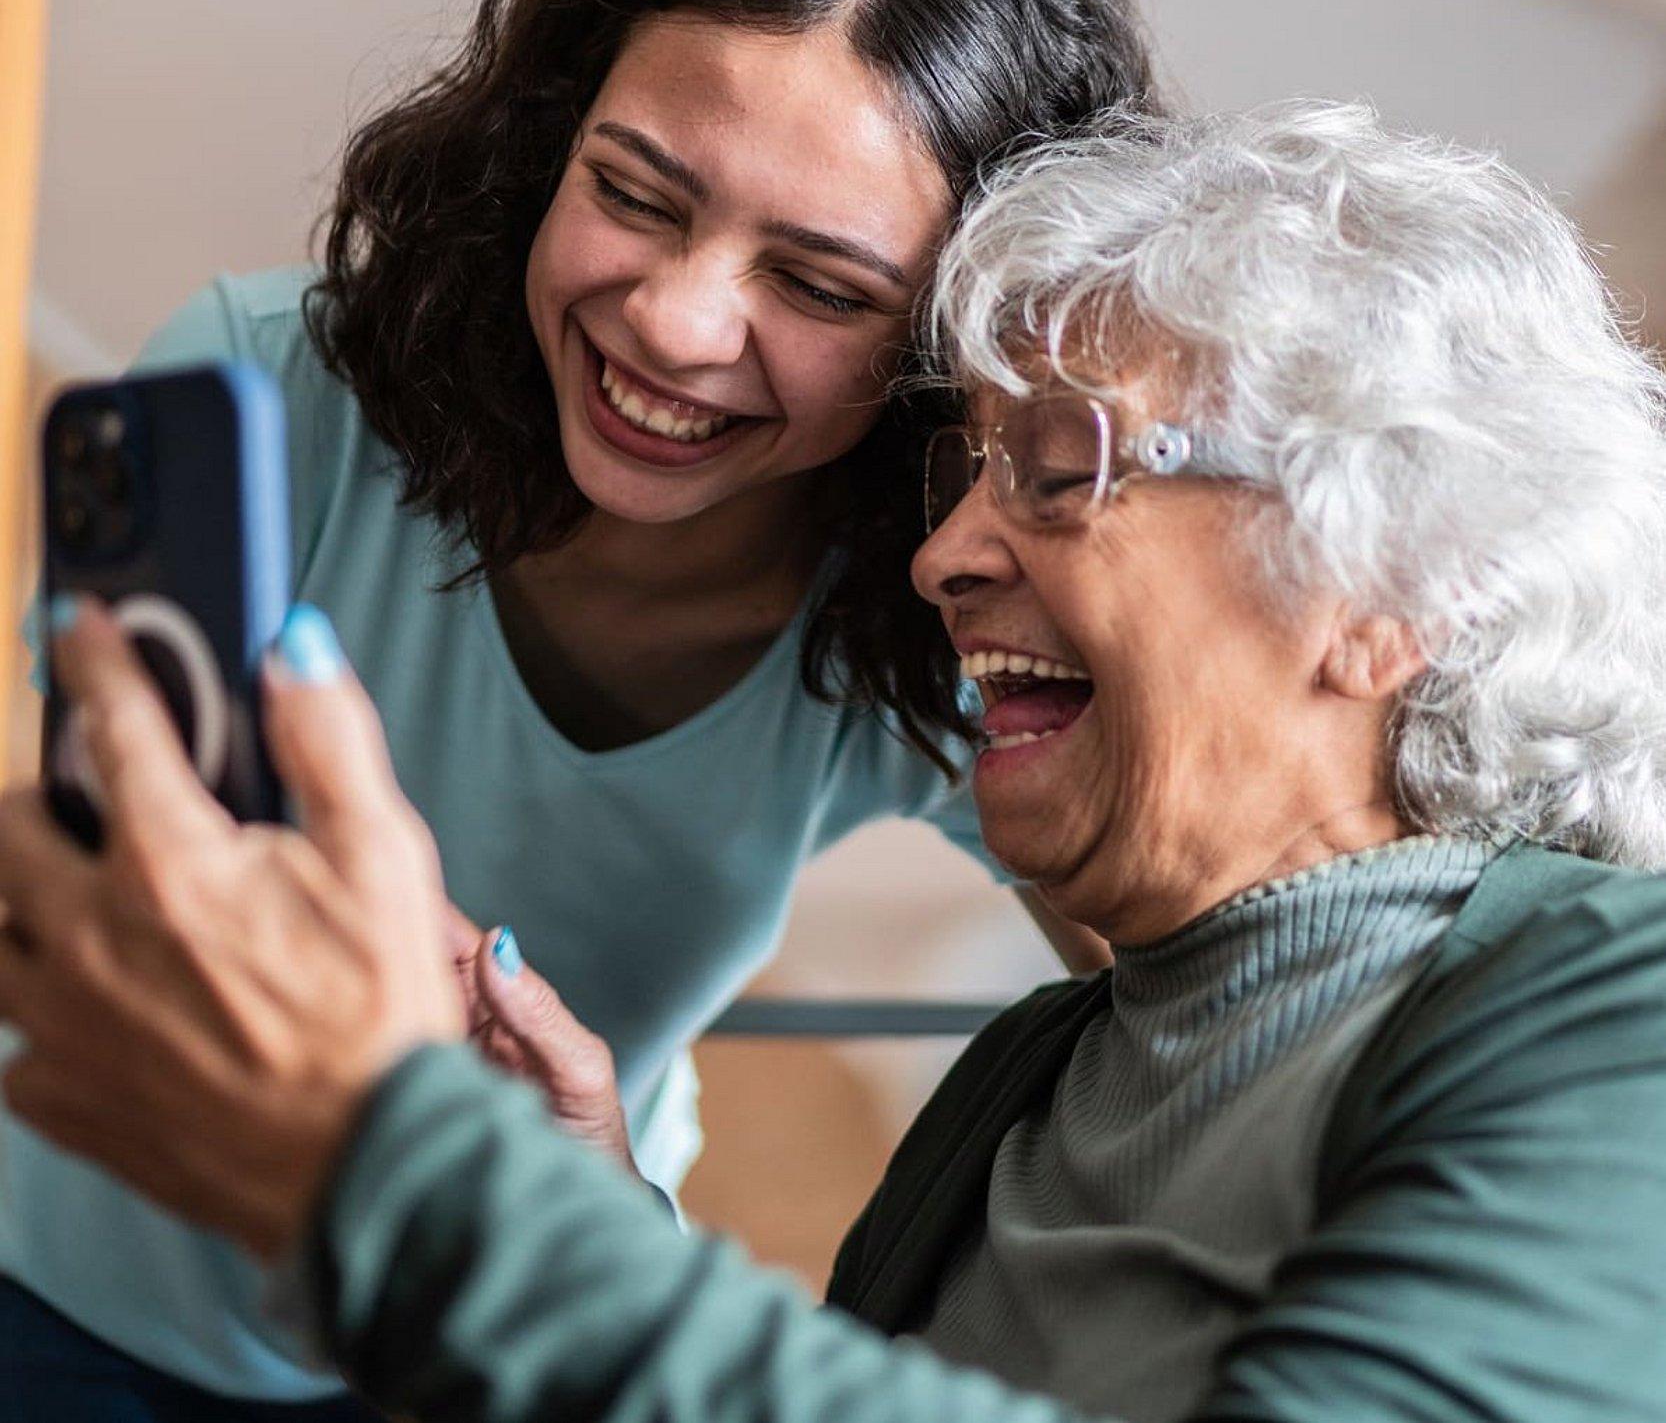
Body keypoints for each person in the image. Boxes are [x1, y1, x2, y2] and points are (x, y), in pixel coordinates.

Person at [6, 99, 1666, 1423]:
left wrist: (396, 1171)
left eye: (1061, 464)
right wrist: (581, 1202)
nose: (941, 552)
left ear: (1390, 593)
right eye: (966, 470)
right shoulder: (1041, 1069)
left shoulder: (1621, 1005)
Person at [0, 0, 1156, 1418]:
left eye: (819, 287)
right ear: (551, 135)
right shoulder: (266, 390)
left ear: (946, 360)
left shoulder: (946, 600)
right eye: (635, 191)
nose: (676, 325)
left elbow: (1201, 1011)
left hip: (499, 1323)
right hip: (56, 1249)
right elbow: (96, 903)